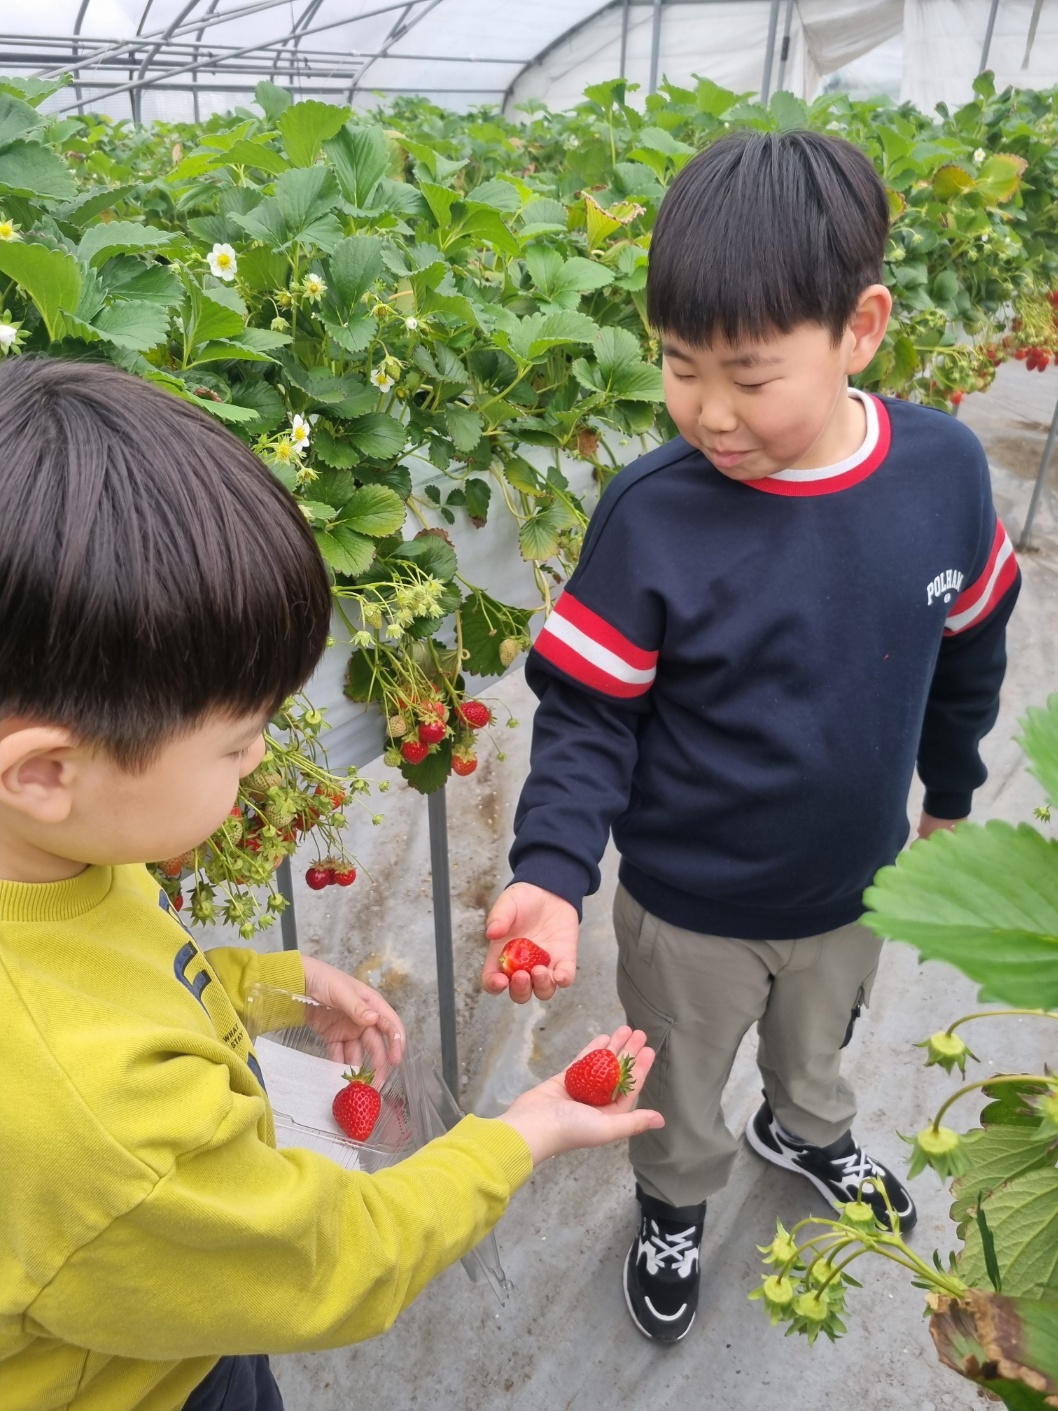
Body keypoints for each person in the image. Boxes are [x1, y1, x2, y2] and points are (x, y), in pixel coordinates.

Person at [0, 357, 664, 1411]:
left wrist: (269, 984)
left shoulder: (50, 856)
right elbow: (336, 1257)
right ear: (44, 772)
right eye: (236, 744)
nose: (262, 759)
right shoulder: (101, 1121)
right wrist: (520, 1133)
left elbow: (110, 975)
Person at [482, 130, 1021, 1344]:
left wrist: (947, 798)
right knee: (678, 1078)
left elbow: (969, 648)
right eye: (679, 367)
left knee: (818, 1040)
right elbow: (589, 710)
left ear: (859, 329)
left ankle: (802, 1130)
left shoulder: (940, 473)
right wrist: (552, 870)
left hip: (853, 881)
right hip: (689, 910)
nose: (709, 413)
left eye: (747, 374)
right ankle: (675, 1200)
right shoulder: (654, 516)